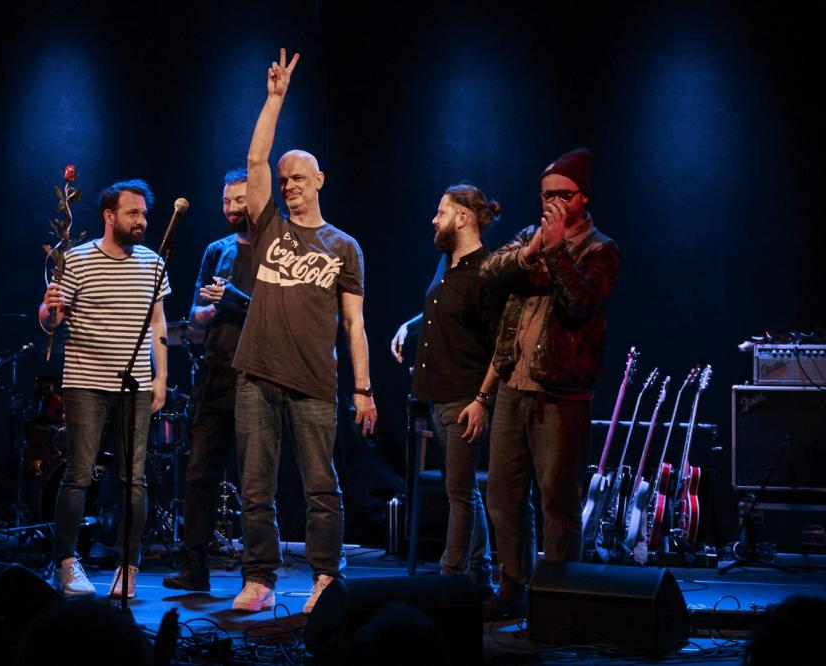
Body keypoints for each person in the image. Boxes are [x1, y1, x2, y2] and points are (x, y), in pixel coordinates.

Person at [230, 48, 377, 614]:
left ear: (320, 180)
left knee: (321, 486)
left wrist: (363, 389)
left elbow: (355, 323)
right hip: (257, 375)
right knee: (255, 485)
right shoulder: (269, 226)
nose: (289, 184)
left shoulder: (345, 246)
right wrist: (275, 100)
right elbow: (255, 158)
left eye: (298, 177)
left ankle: (325, 578)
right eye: (284, 178)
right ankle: (259, 579)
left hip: (315, 382)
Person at [478, 148, 619, 620]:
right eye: (545, 195)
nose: (552, 203)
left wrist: (556, 250)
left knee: (558, 501)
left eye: (561, 195)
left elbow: (580, 302)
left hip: (560, 395)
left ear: (582, 197)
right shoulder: (529, 236)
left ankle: (559, 598)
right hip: (513, 387)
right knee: (502, 495)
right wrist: (531, 251)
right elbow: (487, 273)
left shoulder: (601, 249)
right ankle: (513, 585)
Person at [39, 179, 170, 598]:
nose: (142, 221)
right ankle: (66, 562)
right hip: (86, 383)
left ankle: (127, 567)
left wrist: (161, 377)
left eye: (144, 214)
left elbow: (158, 323)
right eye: (133, 213)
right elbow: (51, 321)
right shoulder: (76, 260)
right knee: (79, 475)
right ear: (109, 216)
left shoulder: (153, 262)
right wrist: (47, 309)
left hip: (136, 386)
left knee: (134, 480)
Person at [390, 184, 504, 600]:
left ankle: (449, 580)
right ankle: (479, 577)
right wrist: (409, 325)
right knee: (463, 491)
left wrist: (482, 401)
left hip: (464, 398)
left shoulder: (488, 273)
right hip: (436, 397)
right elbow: (443, 307)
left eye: (441, 212)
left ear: (463, 218)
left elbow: (502, 345)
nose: (433, 220)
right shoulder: (447, 263)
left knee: (459, 495)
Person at [163, 168, 253, 591]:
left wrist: (235, 300)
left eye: (240, 200)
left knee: (255, 480)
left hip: (256, 378)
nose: (231, 208)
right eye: (226, 201)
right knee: (199, 474)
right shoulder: (217, 250)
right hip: (213, 378)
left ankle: (257, 572)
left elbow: (278, 315)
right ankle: (194, 567)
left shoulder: (275, 249)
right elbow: (195, 323)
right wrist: (211, 309)